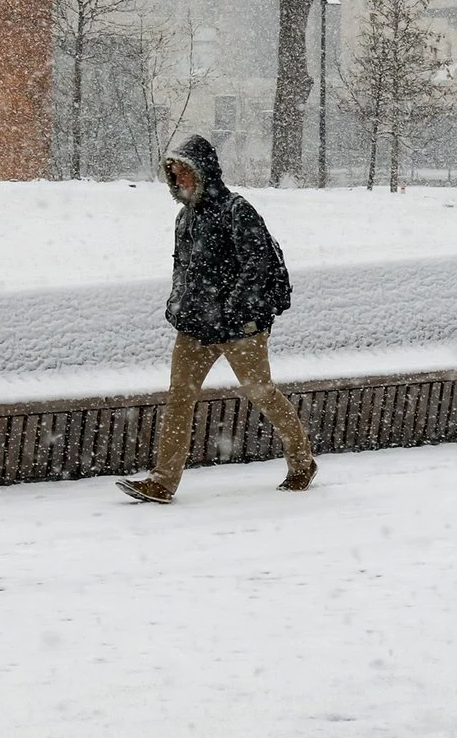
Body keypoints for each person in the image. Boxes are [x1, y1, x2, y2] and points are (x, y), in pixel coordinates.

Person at [118, 134, 318, 503]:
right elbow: (183, 269)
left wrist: (231, 311)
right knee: (179, 397)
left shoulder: (236, 210)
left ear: (203, 171)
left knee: (262, 394)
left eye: (184, 172)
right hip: (195, 326)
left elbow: (258, 265)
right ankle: (163, 481)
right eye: (174, 174)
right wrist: (178, 303)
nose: (179, 181)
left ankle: (302, 462)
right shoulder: (185, 217)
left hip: (239, 327)